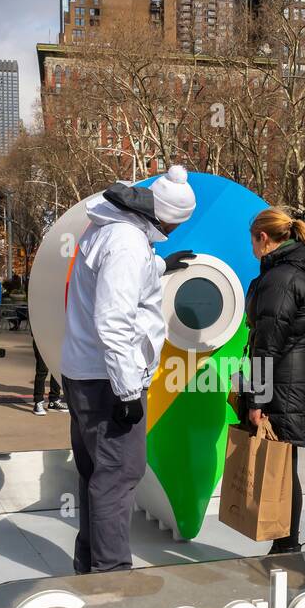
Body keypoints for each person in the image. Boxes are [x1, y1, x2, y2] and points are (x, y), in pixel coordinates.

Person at [61, 165, 198, 573]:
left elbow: (112, 279)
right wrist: (125, 393)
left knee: (95, 473)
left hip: (85, 373)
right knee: (120, 474)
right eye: (176, 223)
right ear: (164, 215)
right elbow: (114, 321)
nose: (174, 232)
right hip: (108, 380)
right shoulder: (128, 244)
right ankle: (112, 575)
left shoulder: (112, 229)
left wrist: (158, 267)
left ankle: (90, 565)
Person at [245, 208, 305, 555]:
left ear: (264, 238)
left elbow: (267, 341)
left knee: (282, 464)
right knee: (286, 462)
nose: (253, 249)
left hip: (285, 377)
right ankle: (285, 544)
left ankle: (286, 547)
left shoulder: (282, 277)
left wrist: (257, 397)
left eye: (252, 241)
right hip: (303, 373)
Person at [32, 335, 67, 416]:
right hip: (41, 338)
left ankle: (54, 400)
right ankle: (38, 401)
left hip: (55, 338)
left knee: (56, 369)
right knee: (42, 370)